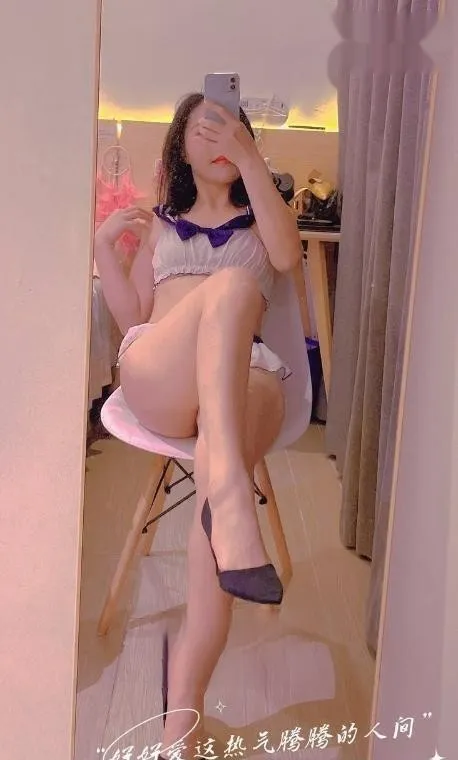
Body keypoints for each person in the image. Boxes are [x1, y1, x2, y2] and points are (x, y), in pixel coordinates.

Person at [94, 92, 303, 757]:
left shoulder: (262, 217)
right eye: (201, 128)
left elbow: (288, 257)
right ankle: (232, 502)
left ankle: (181, 719)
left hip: (246, 377)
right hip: (161, 369)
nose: (216, 137)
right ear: (181, 147)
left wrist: (251, 161)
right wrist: (105, 248)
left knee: (220, 464)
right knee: (234, 288)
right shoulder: (161, 225)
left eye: (228, 127)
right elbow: (134, 319)